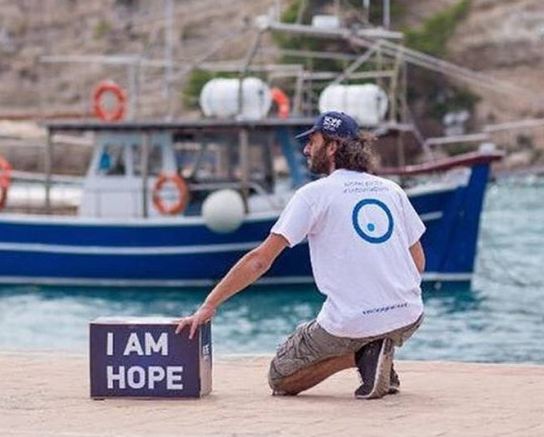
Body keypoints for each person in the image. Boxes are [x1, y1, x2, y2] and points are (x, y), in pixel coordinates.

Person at [175, 110, 426, 400]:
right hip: (409, 314)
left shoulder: (314, 195)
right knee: (370, 328)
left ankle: (363, 353)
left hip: (353, 323)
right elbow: (418, 263)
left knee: (280, 377)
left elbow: (260, 260)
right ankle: (378, 352)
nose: (306, 149)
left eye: (313, 142)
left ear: (332, 147)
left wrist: (209, 305)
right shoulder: (392, 190)